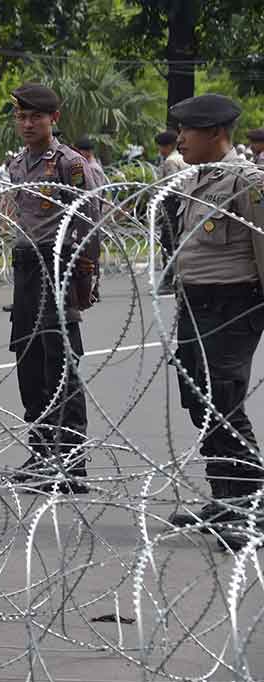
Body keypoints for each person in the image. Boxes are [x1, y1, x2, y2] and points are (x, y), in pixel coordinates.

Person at [164, 94, 264, 552]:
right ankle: (225, 499)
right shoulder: (196, 181)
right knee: (198, 399)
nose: (180, 138)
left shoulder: (248, 182)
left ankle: (252, 506)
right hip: (196, 303)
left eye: (188, 130)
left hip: (234, 303)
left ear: (215, 134)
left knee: (223, 398)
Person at [6, 83, 102, 494]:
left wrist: (84, 275)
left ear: (53, 119)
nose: (28, 124)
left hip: (58, 264)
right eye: (22, 117)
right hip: (26, 266)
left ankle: (71, 457)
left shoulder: (70, 165)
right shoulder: (16, 166)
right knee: (29, 360)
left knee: (60, 361)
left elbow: (91, 220)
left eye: (36, 117)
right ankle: (43, 450)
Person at [155, 130, 189, 295]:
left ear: (167, 146)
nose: (159, 150)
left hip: (172, 204)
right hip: (180, 203)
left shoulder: (170, 161)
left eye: (161, 147)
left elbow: (173, 186)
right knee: (176, 241)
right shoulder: (181, 158)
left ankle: (169, 280)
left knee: (168, 242)